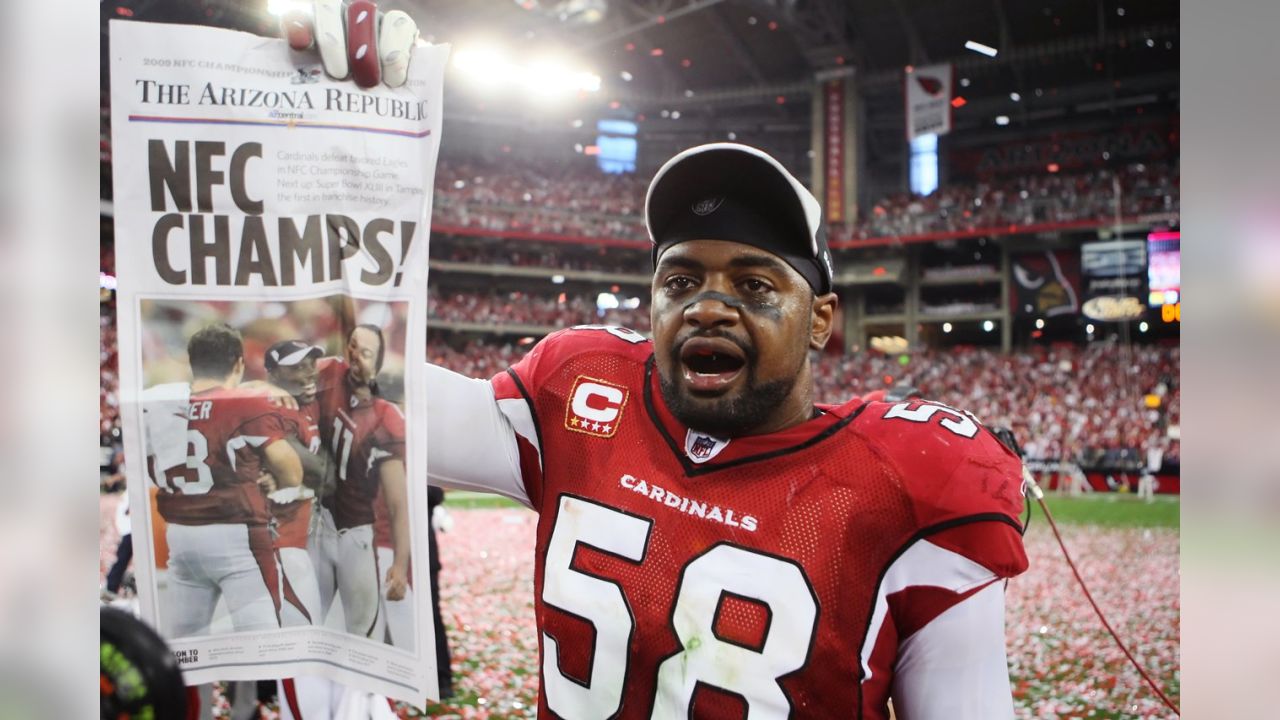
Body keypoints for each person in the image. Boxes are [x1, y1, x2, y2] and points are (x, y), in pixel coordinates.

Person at [289, 12, 1029, 718]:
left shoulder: (903, 484)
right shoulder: (583, 392)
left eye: (754, 284)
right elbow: (330, 391)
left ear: (822, 320)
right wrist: (325, 139)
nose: (707, 306)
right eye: (680, 281)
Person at [144, 323, 305, 636]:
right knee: (262, 641)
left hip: (180, 536)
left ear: (192, 363)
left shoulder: (164, 405)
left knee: (188, 649)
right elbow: (292, 471)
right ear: (239, 363)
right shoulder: (246, 404)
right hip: (235, 533)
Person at [309, 324, 411, 640]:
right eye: (353, 346)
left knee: (361, 634)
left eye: (366, 352)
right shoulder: (327, 372)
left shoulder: (385, 417)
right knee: (306, 624)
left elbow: (397, 501)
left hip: (354, 534)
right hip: (318, 524)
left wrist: (401, 563)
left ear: (377, 366)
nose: (355, 355)